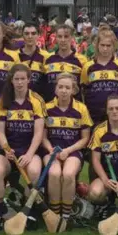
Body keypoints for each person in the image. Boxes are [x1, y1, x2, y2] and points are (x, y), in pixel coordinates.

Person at [0, 64, 46, 230]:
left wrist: (29, 154)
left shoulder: (37, 100)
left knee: (34, 171)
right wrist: (6, 148)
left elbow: (38, 133)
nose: (20, 82)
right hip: (8, 150)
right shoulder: (3, 101)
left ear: (28, 80)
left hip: (30, 149)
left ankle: (28, 212)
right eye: (16, 79)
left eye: (23, 79)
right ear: (11, 81)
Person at [42, 73, 92, 225]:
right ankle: (55, 213)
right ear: (55, 89)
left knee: (69, 174)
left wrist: (68, 151)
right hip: (51, 151)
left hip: (72, 151)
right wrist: (51, 150)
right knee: (55, 173)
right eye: (61, 87)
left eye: (67, 87)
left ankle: (66, 215)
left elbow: (85, 138)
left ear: (73, 90)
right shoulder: (47, 108)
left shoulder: (81, 109)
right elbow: (42, 136)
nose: (64, 90)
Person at [81, 29, 118, 124]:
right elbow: (84, 90)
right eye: (102, 45)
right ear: (97, 45)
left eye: (108, 46)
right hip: (93, 112)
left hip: (115, 112)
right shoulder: (88, 66)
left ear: (114, 46)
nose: (105, 49)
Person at [43, 24, 88, 102]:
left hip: (73, 110)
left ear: (71, 38)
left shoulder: (82, 60)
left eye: (66, 36)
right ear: (56, 38)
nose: (63, 40)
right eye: (60, 37)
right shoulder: (47, 58)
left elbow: (84, 88)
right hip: (51, 109)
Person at [19, 22, 50, 94]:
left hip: (40, 101)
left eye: (33, 33)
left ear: (39, 35)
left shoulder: (46, 56)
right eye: (26, 34)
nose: (30, 36)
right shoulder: (15, 55)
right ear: (22, 35)